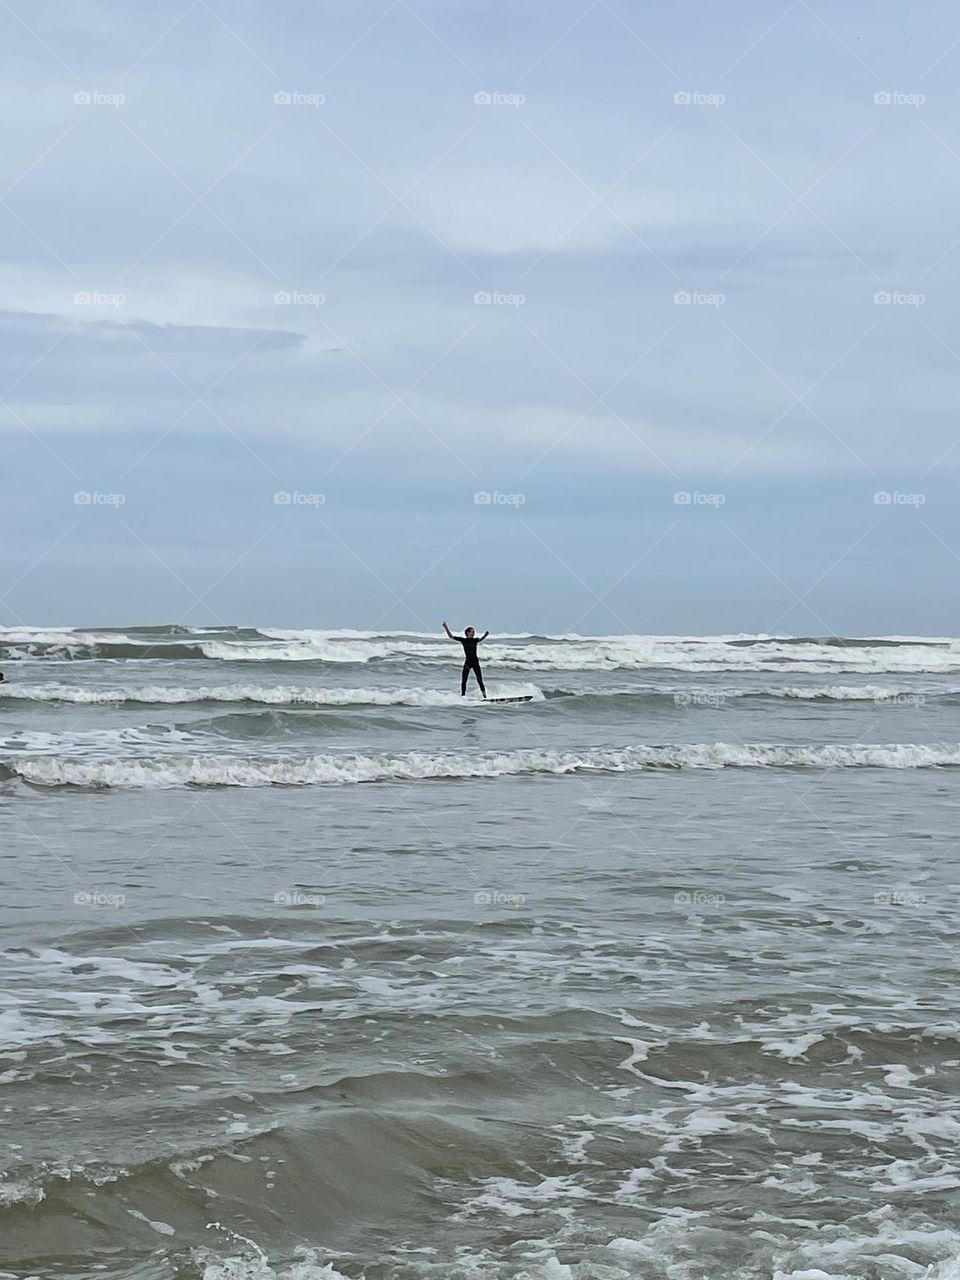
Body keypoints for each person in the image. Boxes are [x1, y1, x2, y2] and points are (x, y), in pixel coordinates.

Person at [442, 621, 489, 697]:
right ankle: (463, 696)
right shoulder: (463, 640)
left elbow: (481, 639)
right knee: (464, 680)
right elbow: (451, 637)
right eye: (472, 631)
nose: (474, 633)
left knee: (479, 680)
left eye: (474, 632)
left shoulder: (475, 640)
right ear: (468, 632)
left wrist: (485, 635)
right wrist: (446, 627)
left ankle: (485, 696)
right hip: (468, 663)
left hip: (475, 663)